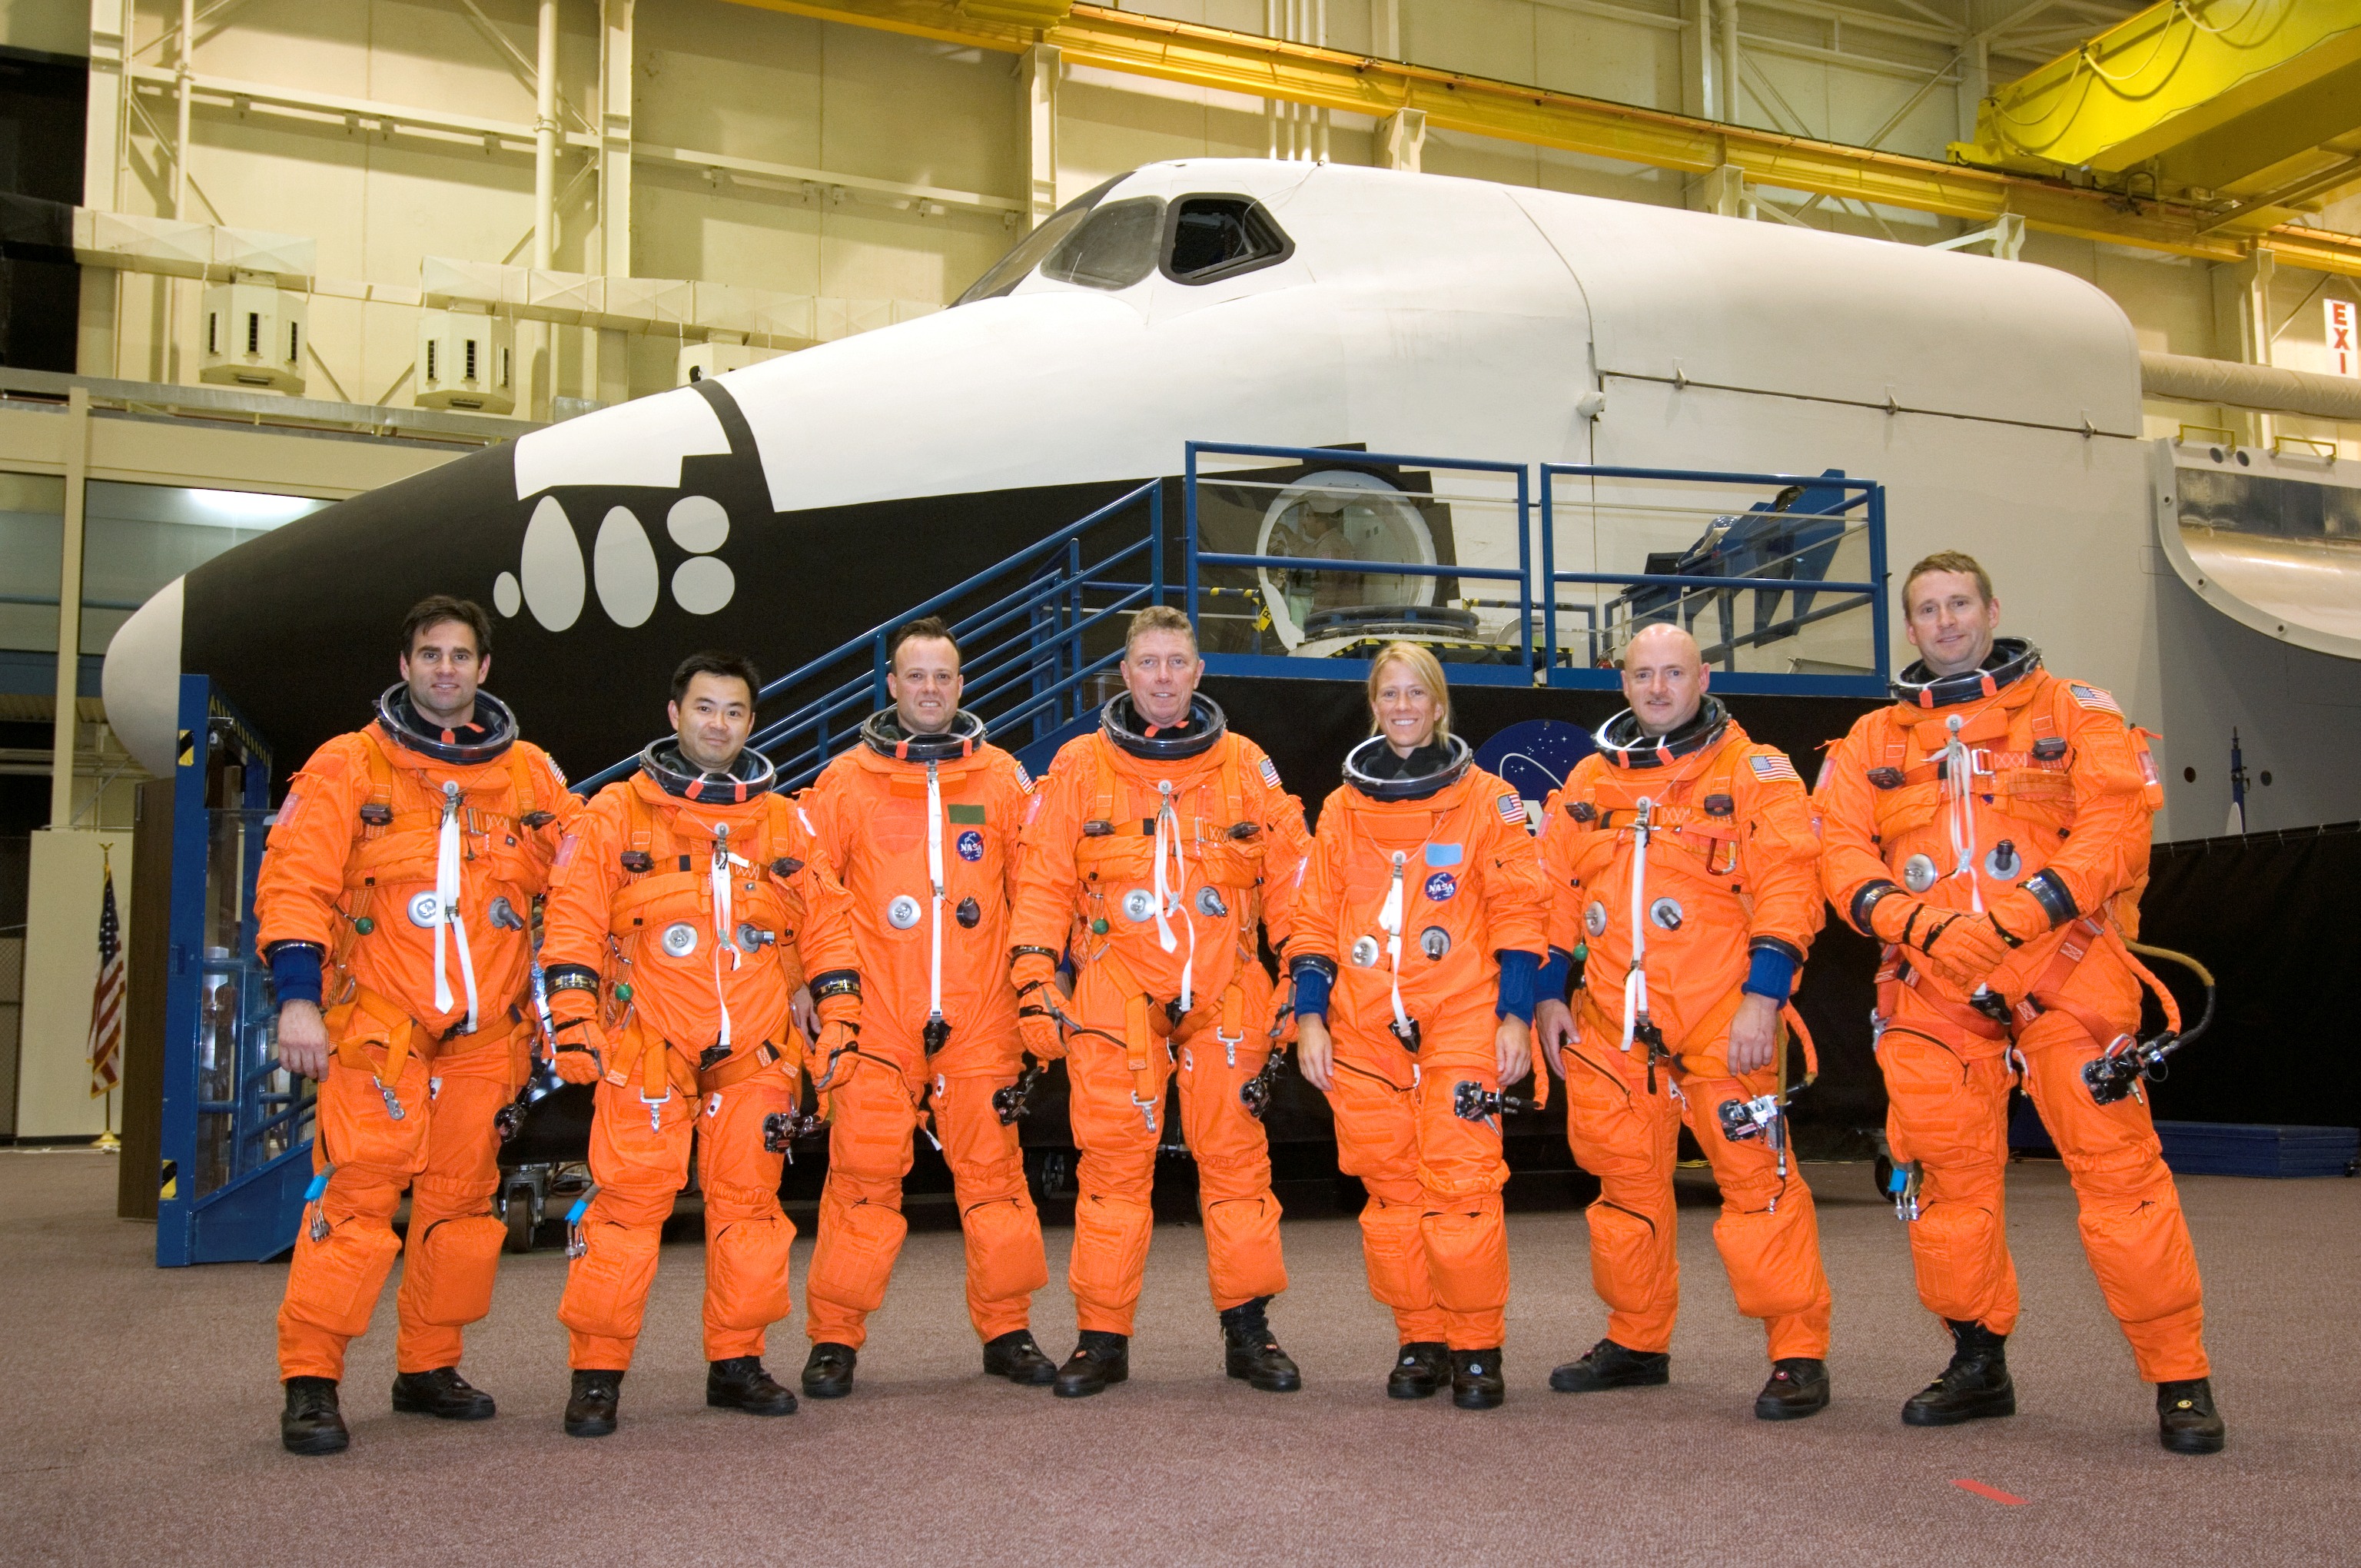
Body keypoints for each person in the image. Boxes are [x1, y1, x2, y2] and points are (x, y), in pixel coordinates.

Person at [1814, 552, 2222, 1454]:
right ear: (1910, 627)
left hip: (2063, 967)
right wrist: (1917, 925)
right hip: (1933, 981)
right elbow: (1839, 857)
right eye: (1928, 609)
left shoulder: (2075, 711)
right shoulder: (1871, 744)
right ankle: (1977, 1360)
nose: (1947, 621)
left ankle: (2179, 1375)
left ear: (1991, 609)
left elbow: (2117, 827)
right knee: (1945, 1183)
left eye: (1961, 603)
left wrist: (2018, 916)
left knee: (2122, 1178)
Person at [257, 596, 576, 1455]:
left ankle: (428, 1366)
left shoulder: (530, 778)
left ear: (483, 670)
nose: (445, 669)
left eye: (460, 656)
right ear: (405, 667)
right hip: (377, 1031)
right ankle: (312, 1380)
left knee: (460, 1209)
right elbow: (297, 885)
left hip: (484, 1040)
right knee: (356, 1201)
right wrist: (295, 997)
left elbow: (583, 886)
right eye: (430, 654)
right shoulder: (347, 767)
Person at [539, 652, 860, 1437]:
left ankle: (737, 1360)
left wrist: (840, 1012)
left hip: (753, 1050)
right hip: (648, 1046)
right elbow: (574, 913)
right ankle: (597, 1373)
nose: (720, 725)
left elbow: (825, 922)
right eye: (706, 708)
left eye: (735, 711)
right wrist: (574, 1014)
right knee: (625, 1211)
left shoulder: (782, 821)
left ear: (752, 721)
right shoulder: (616, 813)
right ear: (674, 713)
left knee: (749, 1210)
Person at [1009, 605, 1312, 1397]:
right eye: (1148, 664)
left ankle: (1249, 1331)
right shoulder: (1080, 766)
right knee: (1110, 1170)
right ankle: (1101, 1339)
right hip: (1114, 987)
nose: (1164, 679)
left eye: (1178, 662)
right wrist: (1037, 982)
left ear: (1200, 672)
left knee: (1239, 1165)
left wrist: (1301, 980)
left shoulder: (1246, 766)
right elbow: (1041, 882)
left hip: (1229, 986)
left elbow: (1293, 881)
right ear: (1125, 672)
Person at [1534, 622, 1835, 1420]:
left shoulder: (1753, 770)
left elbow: (1791, 887)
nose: (1659, 688)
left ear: (1704, 677)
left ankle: (1797, 1351)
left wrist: (1764, 999)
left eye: (1674, 673)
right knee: (1625, 1190)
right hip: (1610, 1021)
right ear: (1622, 682)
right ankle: (1637, 1340)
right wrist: (1548, 993)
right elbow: (1550, 894)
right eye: (1643, 674)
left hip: (1721, 1016)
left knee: (1756, 1188)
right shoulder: (1592, 782)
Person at [794, 617, 1055, 1396]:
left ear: (963, 685)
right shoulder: (845, 782)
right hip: (877, 1014)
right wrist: (804, 980)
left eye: (943, 676)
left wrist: (1037, 980)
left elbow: (1038, 891)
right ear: (891, 684)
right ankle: (834, 1339)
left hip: (980, 1016)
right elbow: (809, 893)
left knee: (997, 1180)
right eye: (916, 676)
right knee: (861, 1182)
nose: (930, 690)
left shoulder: (1005, 779)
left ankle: (1007, 1330)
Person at [1287, 644, 1547, 1409]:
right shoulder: (1341, 809)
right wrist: (1309, 1019)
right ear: (1376, 705)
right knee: (1391, 1192)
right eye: (1389, 694)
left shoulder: (1488, 801)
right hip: (1363, 1023)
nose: (1403, 707)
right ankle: (1420, 1336)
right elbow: (1314, 920)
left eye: (1416, 694)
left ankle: (1475, 1346)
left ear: (1438, 704)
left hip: (1463, 1013)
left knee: (1462, 1187)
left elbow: (1519, 910)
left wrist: (1514, 1016)